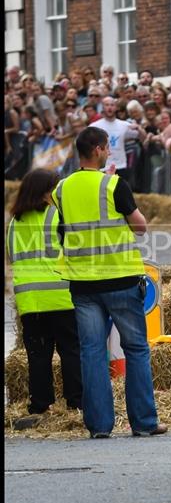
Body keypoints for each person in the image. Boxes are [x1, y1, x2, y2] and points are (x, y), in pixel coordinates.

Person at [52, 126, 166, 439]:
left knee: (91, 353)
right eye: (107, 147)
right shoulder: (114, 184)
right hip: (120, 279)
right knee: (136, 349)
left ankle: (99, 426)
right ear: (100, 149)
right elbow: (139, 226)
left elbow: (69, 223)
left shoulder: (61, 188)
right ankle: (143, 422)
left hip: (83, 283)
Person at [7, 169, 83, 430]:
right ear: (46, 190)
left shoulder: (14, 223)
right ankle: (76, 403)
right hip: (61, 296)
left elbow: (12, 257)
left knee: (38, 356)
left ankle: (39, 406)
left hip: (31, 301)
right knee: (71, 351)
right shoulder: (57, 215)